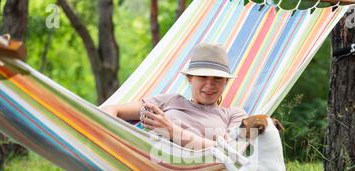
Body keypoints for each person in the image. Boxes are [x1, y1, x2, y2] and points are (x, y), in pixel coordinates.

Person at [100, 43, 247, 150]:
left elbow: (230, 151)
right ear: (190, 78)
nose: (210, 84)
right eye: (202, 77)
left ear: (226, 81)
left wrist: (171, 130)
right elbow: (111, 110)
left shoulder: (234, 115)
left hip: (184, 168)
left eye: (217, 78)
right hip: (143, 159)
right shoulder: (171, 100)